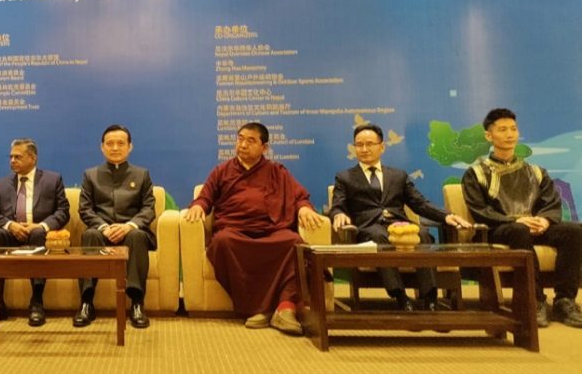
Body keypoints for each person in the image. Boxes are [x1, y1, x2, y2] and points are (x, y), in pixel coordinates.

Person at [183, 122, 322, 336]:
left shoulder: (277, 171)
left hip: (271, 230)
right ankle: (260, 310)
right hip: (235, 231)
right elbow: (205, 197)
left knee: (294, 243)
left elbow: (298, 196)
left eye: (250, 141)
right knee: (222, 242)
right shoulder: (222, 171)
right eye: (240, 139)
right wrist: (198, 206)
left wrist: (304, 208)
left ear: (264, 147)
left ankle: (285, 308)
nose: (243, 145)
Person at [461, 108, 582, 328]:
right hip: (500, 229)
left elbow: (551, 203)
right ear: (488, 136)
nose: (510, 134)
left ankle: (565, 301)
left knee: (574, 231)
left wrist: (545, 220)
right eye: (502, 129)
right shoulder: (476, 173)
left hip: (534, 226)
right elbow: (479, 210)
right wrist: (515, 221)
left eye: (513, 129)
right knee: (519, 230)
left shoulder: (536, 171)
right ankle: (535, 301)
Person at [330, 123, 471, 311]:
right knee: (379, 237)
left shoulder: (398, 176)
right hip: (369, 229)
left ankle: (430, 297)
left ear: (382, 147)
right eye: (359, 144)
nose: (364, 149)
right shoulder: (345, 177)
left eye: (369, 144)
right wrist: (338, 213)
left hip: (400, 225)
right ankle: (400, 296)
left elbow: (420, 203)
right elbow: (337, 204)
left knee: (422, 234)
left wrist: (447, 216)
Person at [75, 124, 155, 329]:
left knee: (137, 236)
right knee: (90, 235)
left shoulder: (142, 174)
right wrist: (104, 227)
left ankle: (137, 303)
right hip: (101, 231)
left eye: (121, 143)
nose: (115, 148)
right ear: (102, 147)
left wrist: (129, 226)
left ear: (130, 147)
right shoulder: (91, 175)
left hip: (131, 232)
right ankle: (86, 303)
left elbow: (148, 208)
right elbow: (85, 209)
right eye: (110, 143)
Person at [0, 138, 69, 327]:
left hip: (38, 234)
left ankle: (37, 302)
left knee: (38, 234)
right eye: (11, 157)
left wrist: (41, 226)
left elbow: (63, 212)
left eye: (18, 157)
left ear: (32, 158)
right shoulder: (1, 184)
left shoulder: (52, 180)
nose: (12, 161)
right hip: (11, 235)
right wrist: (10, 225)